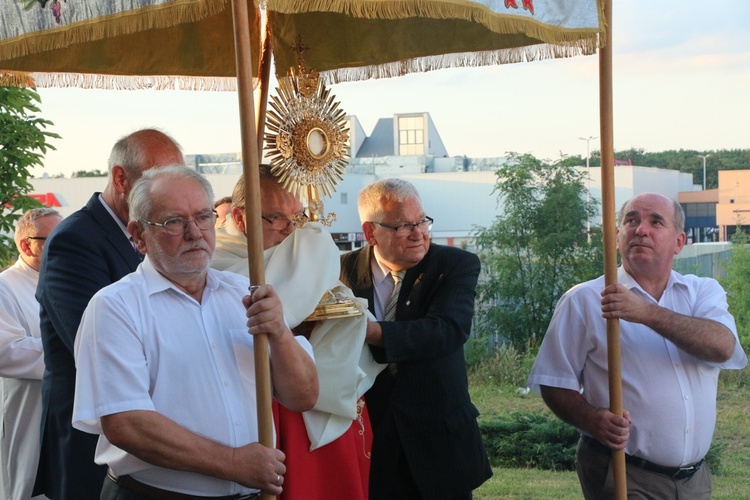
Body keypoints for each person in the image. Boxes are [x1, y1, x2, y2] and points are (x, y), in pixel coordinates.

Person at [72, 165, 317, 499]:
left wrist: (280, 334)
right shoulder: (116, 307)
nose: (194, 232)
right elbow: (127, 423)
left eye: (203, 217)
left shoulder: (244, 293)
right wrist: (232, 462)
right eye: (174, 221)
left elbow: (302, 397)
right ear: (138, 235)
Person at [527, 192, 748, 499]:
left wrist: (644, 312)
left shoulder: (702, 292)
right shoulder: (585, 300)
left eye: (655, 221)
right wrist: (591, 419)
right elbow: (553, 382)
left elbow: (723, 347)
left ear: (679, 241)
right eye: (631, 220)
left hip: (695, 480)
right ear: (617, 236)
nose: (640, 229)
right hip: (624, 472)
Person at [34, 128, 185, 500]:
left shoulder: (152, 231)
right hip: (94, 439)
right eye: (159, 179)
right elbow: (92, 344)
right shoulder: (75, 241)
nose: (171, 193)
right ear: (121, 178)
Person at [222, 168, 383, 500]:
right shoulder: (215, 262)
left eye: (296, 217)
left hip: (313, 393)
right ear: (240, 218)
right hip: (253, 404)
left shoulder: (304, 255)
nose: (290, 231)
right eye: (276, 219)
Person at [339, 178, 492, 500]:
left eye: (422, 220)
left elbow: (448, 330)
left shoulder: (454, 265)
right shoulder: (341, 271)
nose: (419, 232)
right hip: (371, 436)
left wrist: (370, 331)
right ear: (370, 233)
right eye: (403, 226)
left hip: (439, 439)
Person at [0, 208, 61, 500]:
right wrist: (68, 354)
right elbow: (6, 351)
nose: (63, 247)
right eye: (54, 240)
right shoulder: (4, 287)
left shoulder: (65, 282)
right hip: (29, 409)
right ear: (26, 245)